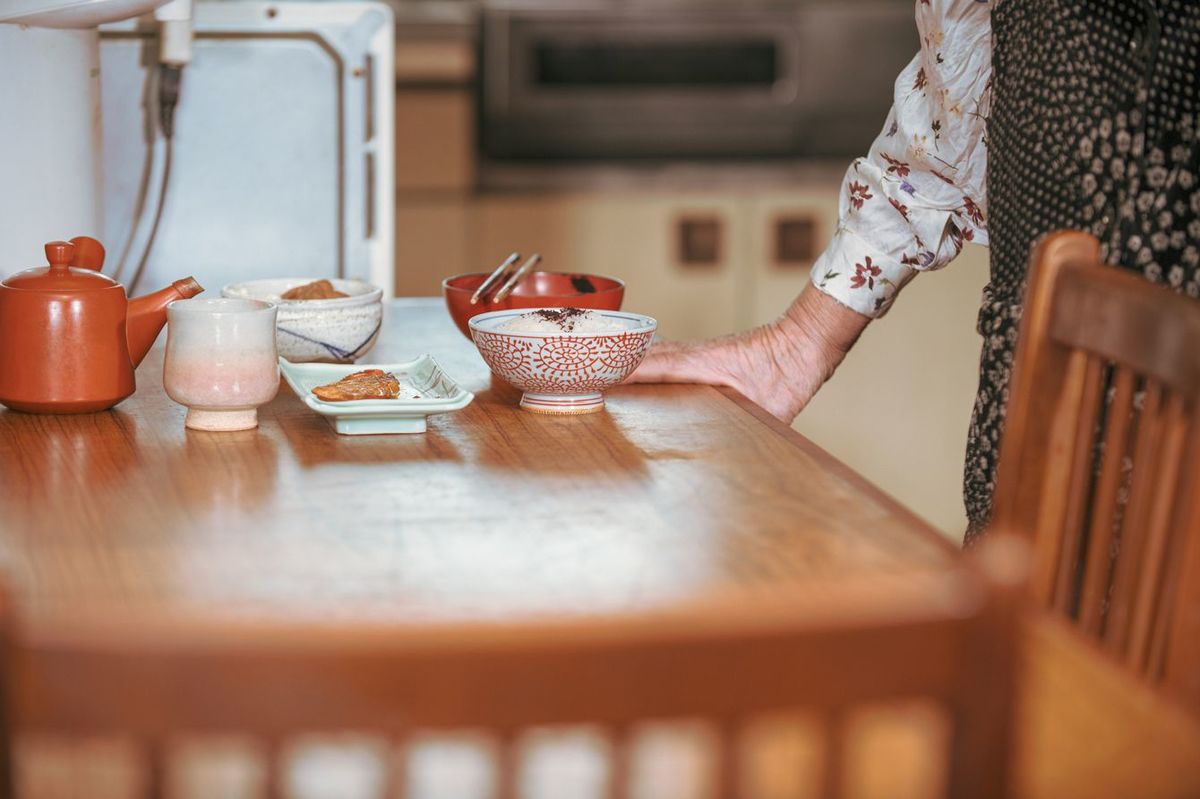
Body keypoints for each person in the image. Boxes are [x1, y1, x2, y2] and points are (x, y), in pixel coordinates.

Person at [629, 0, 1200, 543]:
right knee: (1025, 612)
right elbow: (953, 80)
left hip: (1166, 383)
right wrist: (797, 343)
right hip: (1045, 373)